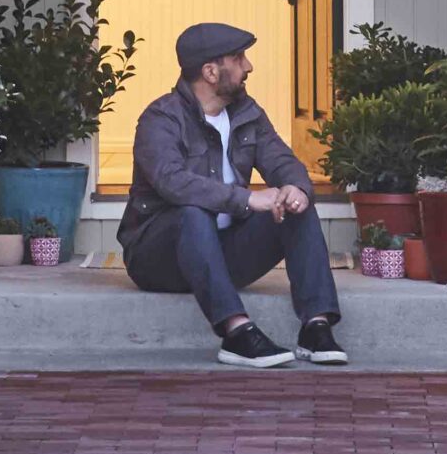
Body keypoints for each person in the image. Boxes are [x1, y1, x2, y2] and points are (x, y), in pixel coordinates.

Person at [118, 22, 346, 368]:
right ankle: (236, 332)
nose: (249, 67)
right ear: (210, 71)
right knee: (192, 212)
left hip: (222, 255)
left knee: (296, 206)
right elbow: (171, 181)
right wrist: (246, 199)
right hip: (159, 258)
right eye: (239, 58)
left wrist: (295, 188)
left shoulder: (246, 113)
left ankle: (316, 327)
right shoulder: (161, 118)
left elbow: (281, 159)